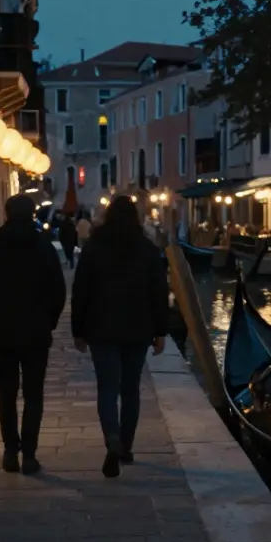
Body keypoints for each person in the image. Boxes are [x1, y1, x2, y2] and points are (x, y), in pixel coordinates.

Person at [0, 194, 67, 475]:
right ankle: (30, 454)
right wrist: (50, 320)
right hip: (36, 333)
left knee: (6, 392)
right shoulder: (44, 249)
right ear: (33, 214)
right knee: (34, 394)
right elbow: (58, 290)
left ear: (6, 213)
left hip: (1, 333)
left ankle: (11, 450)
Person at [71, 195, 170, 479]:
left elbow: (81, 291)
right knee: (130, 389)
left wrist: (78, 329)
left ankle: (112, 438)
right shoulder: (148, 250)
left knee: (107, 388)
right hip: (138, 330)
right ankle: (125, 447)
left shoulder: (94, 248)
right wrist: (161, 331)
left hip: (101, 329)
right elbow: (158, 294)